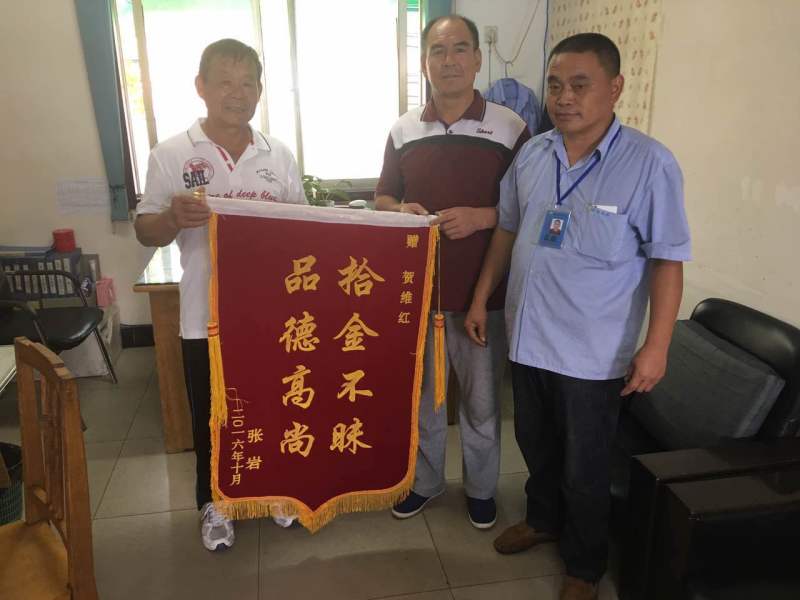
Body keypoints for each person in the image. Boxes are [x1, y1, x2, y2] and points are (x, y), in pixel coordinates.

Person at [464, 33, 691, 600]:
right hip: (528, 337)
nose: (564, 97)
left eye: (580, 85)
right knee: (535, 445)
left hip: (592, 354)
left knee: (584, 467)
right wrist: (481, 297)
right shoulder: (533, 154)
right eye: (555, 85)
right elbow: (508, 229)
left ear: (615, 88)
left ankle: (584, 566)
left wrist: (657, 346)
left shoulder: (649, 164)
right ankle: (543, 519)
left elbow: (668, 260)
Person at [134, 39, 305, 551]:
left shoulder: (279, 154)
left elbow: (302, 225)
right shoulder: (172, 154)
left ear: (260, 91)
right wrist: (172, 218)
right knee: (213, 415)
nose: (238, 93)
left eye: (248, 82)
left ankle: (273, 490)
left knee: (273, 405)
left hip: (271, 316)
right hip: (202, 315)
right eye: (225, 82)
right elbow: (145, 229)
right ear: (201, 87)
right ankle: (214, 503)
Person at [375, 14, 530, 529]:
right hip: (418, 296)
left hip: (484, 297)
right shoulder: (403, 129)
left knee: (482, 404)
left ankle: (482, 490)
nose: (449, 61)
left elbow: (529, 207)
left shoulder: (510, 127)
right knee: (424, 401)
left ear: (477, 59)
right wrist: (400, 211)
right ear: (424, 62)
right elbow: (382, 197)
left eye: (460, 49)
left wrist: (482, 217)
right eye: (437, 51)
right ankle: (426, 482)